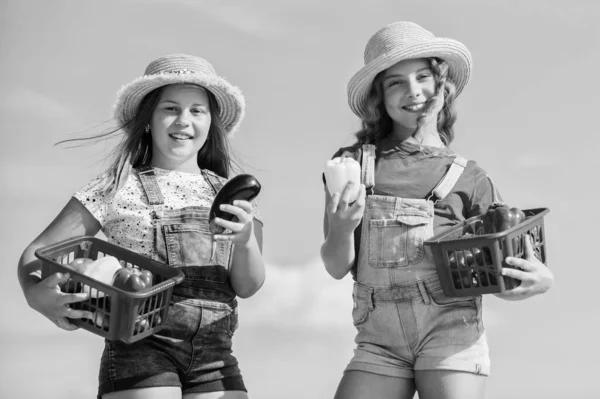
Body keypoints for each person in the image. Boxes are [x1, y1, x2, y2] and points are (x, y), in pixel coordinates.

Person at [320, 22, 554, 399]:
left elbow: (502, 277)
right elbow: (335, 266)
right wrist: (342, 228)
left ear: (442, 85)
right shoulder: (352, 165)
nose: (414, 91)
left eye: (423, 76)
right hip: (378, 341)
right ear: (380, 96)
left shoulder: (470, 178)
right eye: (396, 82)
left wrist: (538, 282)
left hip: (452, 334)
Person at [17, 54, 265, 399]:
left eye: (197, 110)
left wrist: (246, 241)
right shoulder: (117, 185)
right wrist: (35, 296)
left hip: (215, 356)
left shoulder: (228, 194)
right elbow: (35, 253)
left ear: (211, 123)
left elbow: (248, 285)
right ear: (148, 119)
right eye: (170, 108)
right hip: (139, 348)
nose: (184, 120)